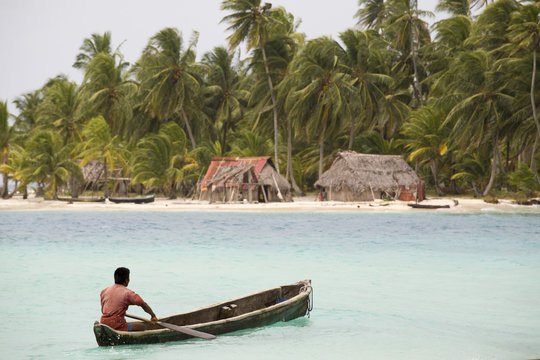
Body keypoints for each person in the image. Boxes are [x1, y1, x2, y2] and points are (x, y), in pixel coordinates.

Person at [100, 267, 158, 331]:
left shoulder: (104, 291)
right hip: (117, 326)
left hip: (103, 323)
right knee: (142, 327)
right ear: (126, 280)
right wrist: (153, 316)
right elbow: (143, 304)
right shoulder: (128, 293)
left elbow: (103, 311)